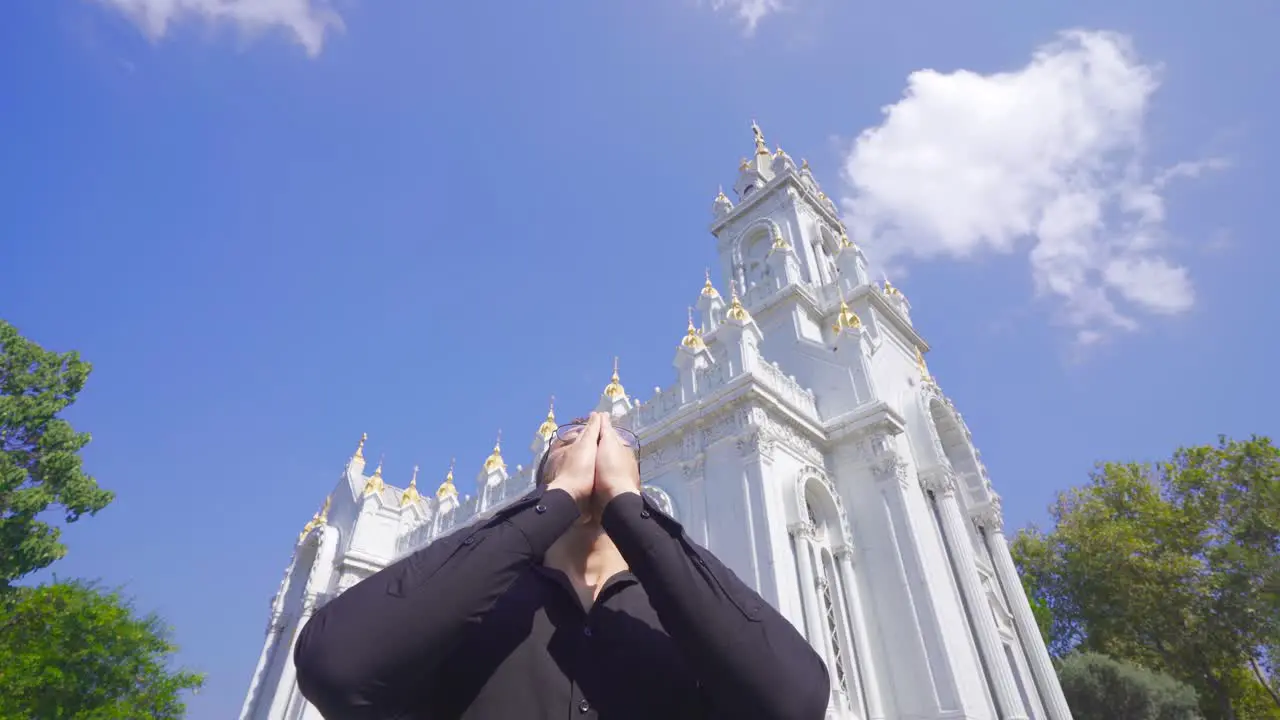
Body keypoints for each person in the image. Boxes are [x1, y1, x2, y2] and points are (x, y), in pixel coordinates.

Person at [294, 412, 830, 719]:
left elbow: (795, 700)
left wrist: (630, 510)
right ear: (545, 480)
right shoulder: (471, 610)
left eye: (614, 446)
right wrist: (559, 499)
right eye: (569, 442)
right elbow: (336, 666)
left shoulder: (685, 623)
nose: (592, 442)